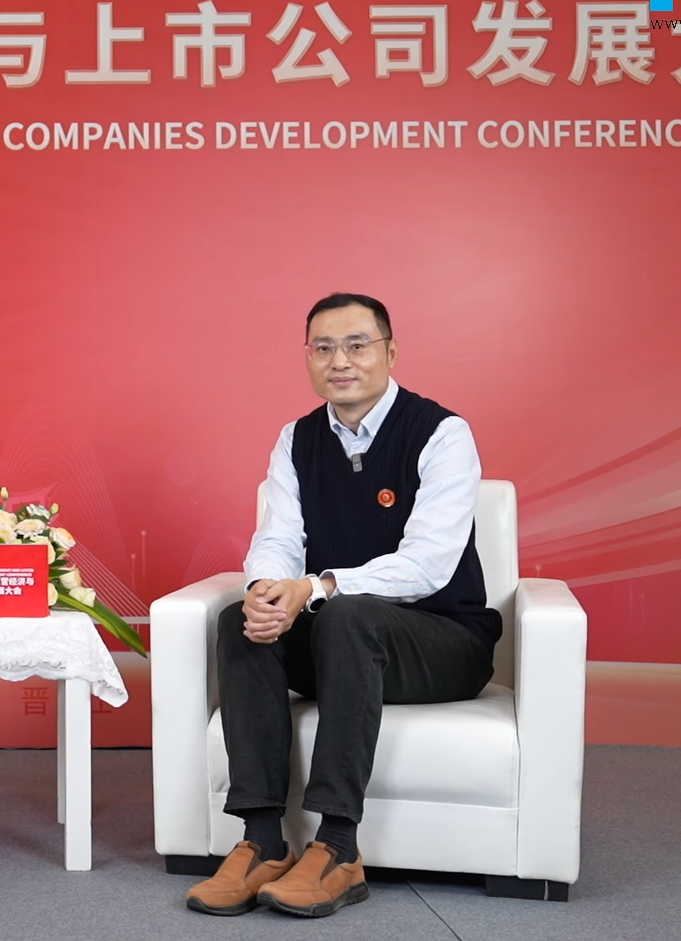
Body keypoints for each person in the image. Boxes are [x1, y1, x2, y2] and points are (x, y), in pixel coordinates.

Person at [186, 293, 500, 919]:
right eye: (323, 348)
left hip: (443, 642)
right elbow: (278, 537)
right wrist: (267, 591)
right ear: (308, 357)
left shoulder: (442, 433)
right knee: (240, 621)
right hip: (343, 638)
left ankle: (337, 848)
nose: (340, 361)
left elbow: (428, 565)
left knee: (348, 614)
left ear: (390, 351)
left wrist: (315, 587)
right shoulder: (296, 439)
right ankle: (263, 840)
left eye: (358, 345)